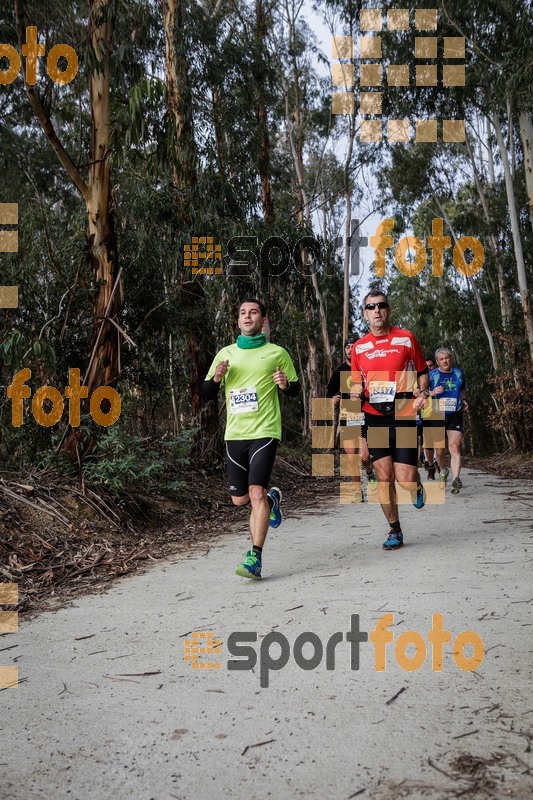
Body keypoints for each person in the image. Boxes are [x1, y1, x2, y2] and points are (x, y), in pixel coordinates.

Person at [202, 299, 299, 579]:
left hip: (266, 431)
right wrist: (217, 377)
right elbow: (206, 393)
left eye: (253, 312)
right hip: (235, 434)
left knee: (255, 492)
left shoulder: (277, 353)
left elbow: (293, 390)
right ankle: (272, 499)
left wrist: (284, 384)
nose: (247, 316)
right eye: (243, 313)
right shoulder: (226, 353)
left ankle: (254, 557)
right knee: (240, 499)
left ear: (263, 320)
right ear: (238, 320)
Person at [352, 291, 430, 550]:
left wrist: (424, 393)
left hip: (404, 414)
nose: (377, 310)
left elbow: (422, 372)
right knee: (383, 476)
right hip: (374, 419)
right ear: (365, 313)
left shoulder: (406, 339)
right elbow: (354, 381)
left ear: (389, 309)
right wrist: (353, 391)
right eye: (371, 307)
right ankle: (395, 530)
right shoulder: (359, 347)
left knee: (405, 478)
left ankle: (416, 486)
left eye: (381, 306)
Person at [326, 336, 376, 502]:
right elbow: (329, 392)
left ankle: (369, 472)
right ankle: (357, 490)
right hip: (348, 417)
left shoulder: (365, 369)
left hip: (365, 416)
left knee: (365, 456)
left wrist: (364, 394)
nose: (350, 349)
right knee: (350, 456)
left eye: (354, 346)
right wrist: (332, 399)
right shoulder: (340, 371)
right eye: (348, 347)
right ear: (345, 350)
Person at [423, 348, 468, 494]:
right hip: (436, 413)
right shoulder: (432, 375)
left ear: (451, 358)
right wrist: (432, 392)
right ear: (437, 362)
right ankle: (443, 470)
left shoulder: (459, 373)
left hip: (455, 413)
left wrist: (464, 399)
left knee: (455, 446)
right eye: (441, 359)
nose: (445, 361)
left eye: (447, 358)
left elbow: (462, 389)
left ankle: (456, 478)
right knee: (440, 450)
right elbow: (419, 392)